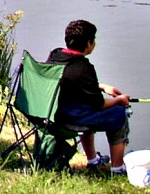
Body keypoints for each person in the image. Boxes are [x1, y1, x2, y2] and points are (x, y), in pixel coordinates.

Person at [46, 19, 132, 174]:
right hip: (68, 119)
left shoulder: (56, 55)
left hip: (49, 113)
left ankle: (93, 160)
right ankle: (117, 168)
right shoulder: (83, 67)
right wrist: (119, 100)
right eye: (94, 40)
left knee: (85, 103)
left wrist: (102, 86)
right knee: (119, 114)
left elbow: (68, 80)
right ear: (88, 43)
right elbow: (99, 104)